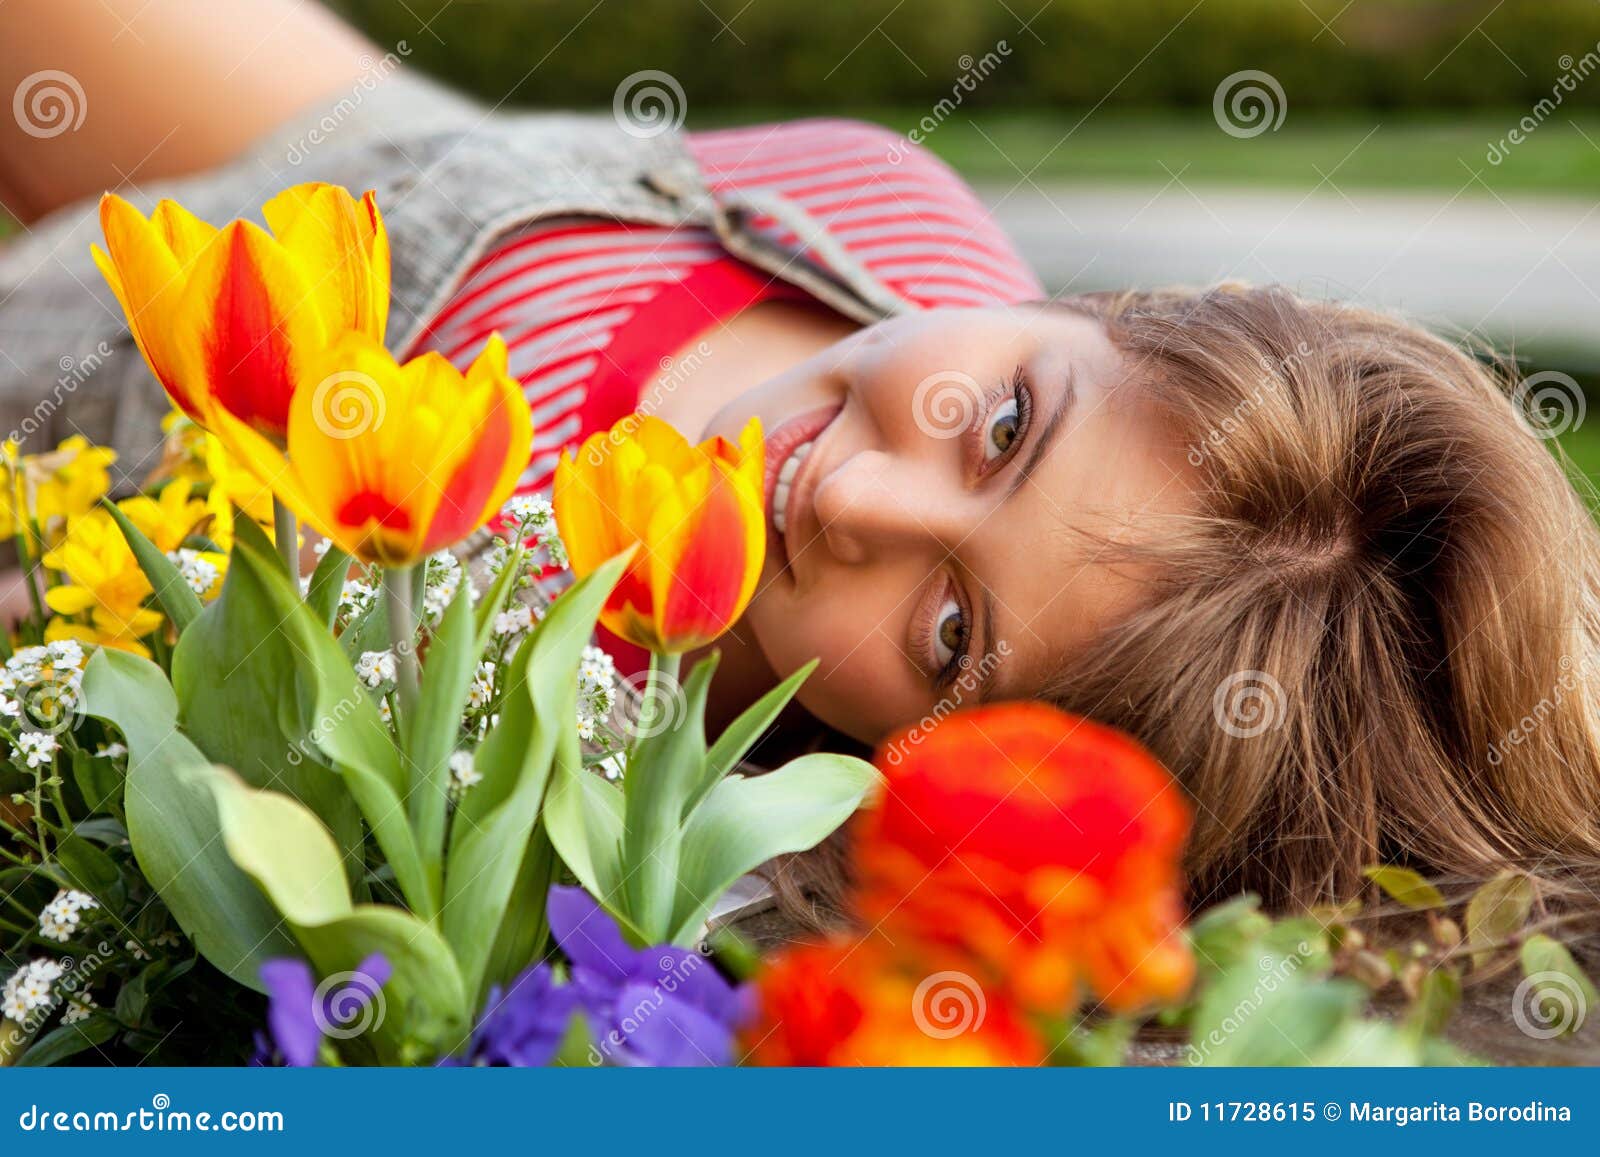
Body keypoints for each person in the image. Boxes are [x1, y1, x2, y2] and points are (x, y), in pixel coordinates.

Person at [4, 0, 1599, 932]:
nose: (850, 500)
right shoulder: (891, 224)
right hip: (318, 164)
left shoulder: (538, 721)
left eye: (950, 632)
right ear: (1116, 315)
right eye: (1006, 425)